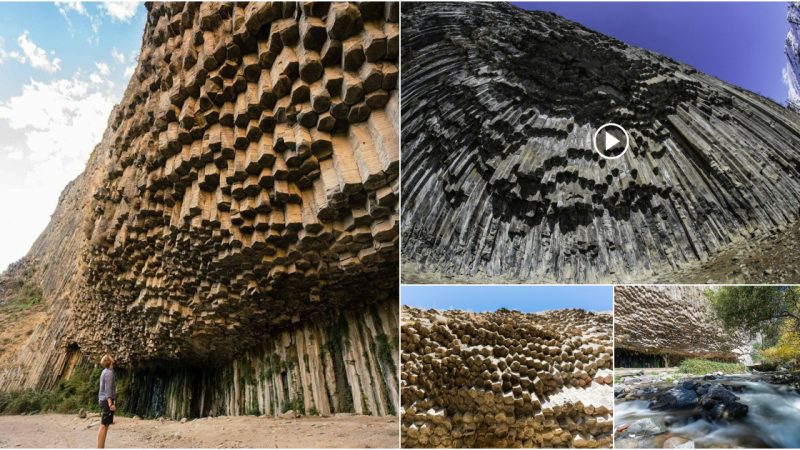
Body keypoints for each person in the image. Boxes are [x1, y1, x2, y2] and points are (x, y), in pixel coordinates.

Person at [97, 354, 116, 449]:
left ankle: (101, 447)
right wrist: (110, 403)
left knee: (105, 424)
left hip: (103, 399)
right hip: (106, 401)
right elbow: (108, 389)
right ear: (109, 361)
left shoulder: (105, 371)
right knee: (104, 425)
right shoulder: (109, 373)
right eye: (111, 357)